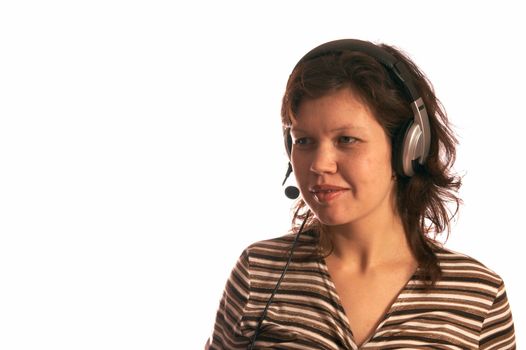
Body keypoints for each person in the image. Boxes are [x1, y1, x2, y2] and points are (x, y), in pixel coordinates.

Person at [205, 39, 516, 349]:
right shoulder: (257, 272)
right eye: (303, 141)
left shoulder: (478, 294)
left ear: (407, 150)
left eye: (347, 139)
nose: (319, 164)